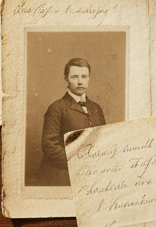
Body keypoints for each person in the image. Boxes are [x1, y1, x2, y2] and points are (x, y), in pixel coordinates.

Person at [34, 57, 107, 186]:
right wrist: (78, 162)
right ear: (66, 78)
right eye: (74, 77)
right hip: (61, 176)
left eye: (84, 76)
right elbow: (50, 146)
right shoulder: (56, 108)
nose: (80, 82)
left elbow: (103, 140)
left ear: (89, 78)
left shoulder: (96, 108)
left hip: (90, 174)